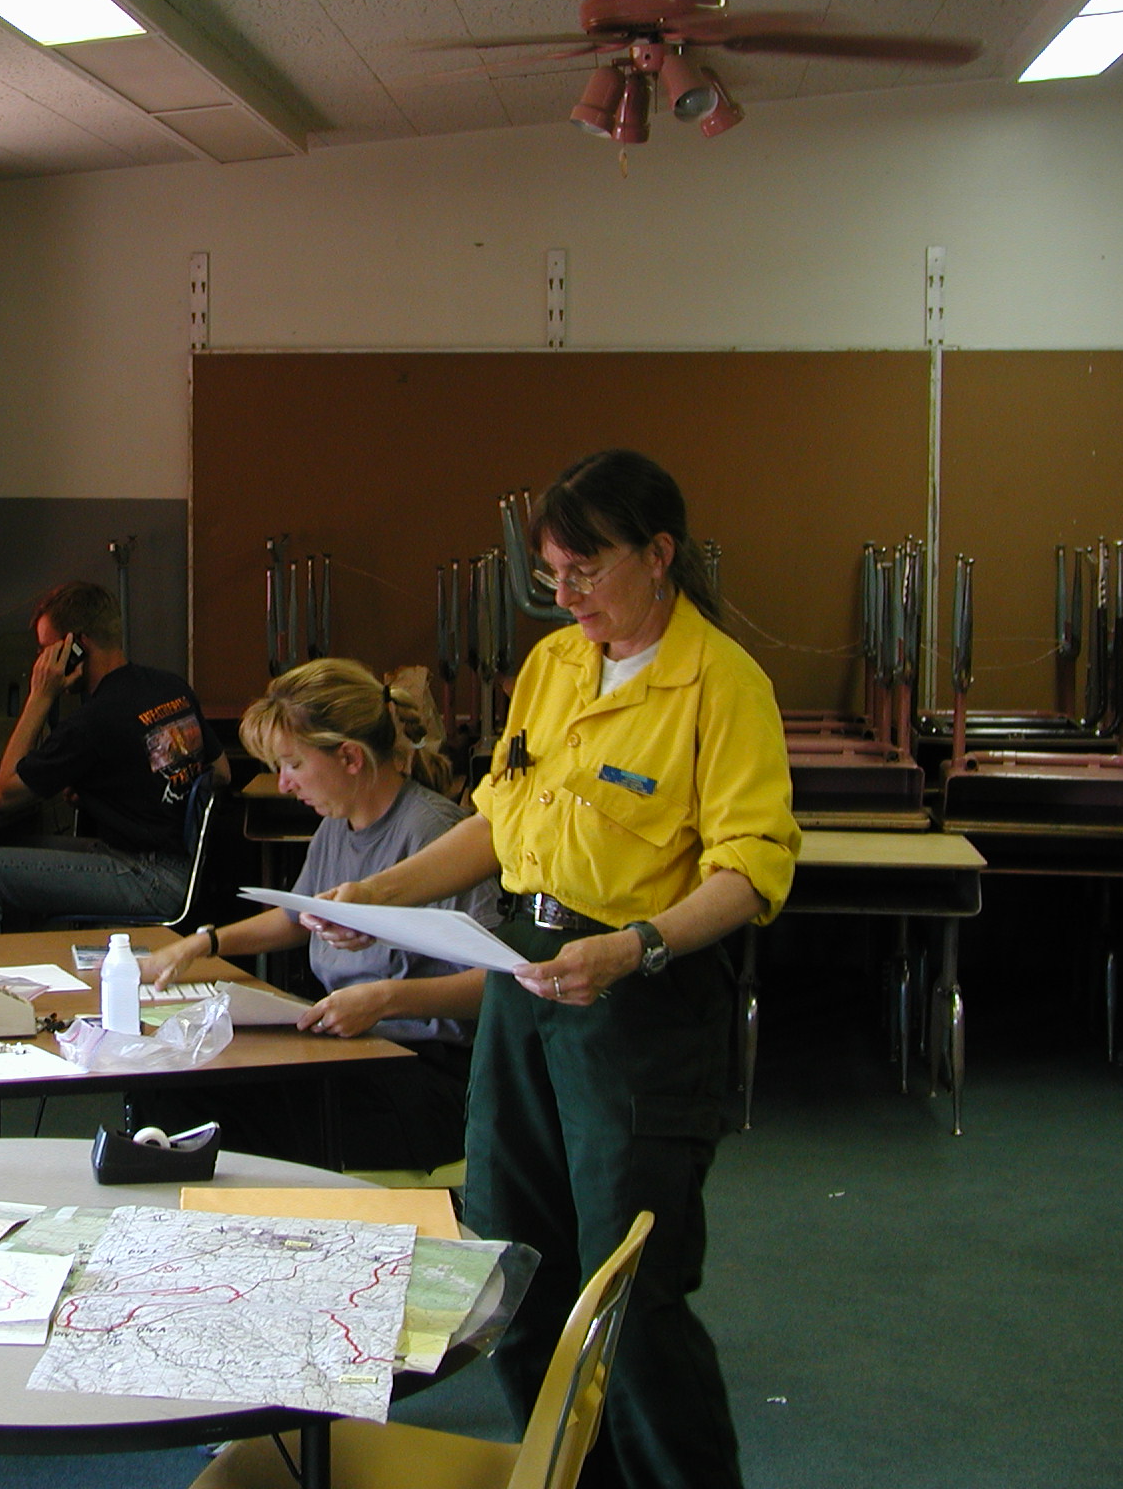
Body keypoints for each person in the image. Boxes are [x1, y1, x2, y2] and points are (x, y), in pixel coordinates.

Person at [317, 451, 798, 1489]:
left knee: (630, 1291)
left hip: (638, 999)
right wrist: (374, 895)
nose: (566, 597)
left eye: (584, 571)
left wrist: (637, 946)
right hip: (521, 981)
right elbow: (498, 819)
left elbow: (750, 869)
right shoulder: (553, 669)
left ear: (656, 555)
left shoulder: (719, 683)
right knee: (514, 1265)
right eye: (550, 578)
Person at [132, 658, 498, 1170]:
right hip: (358, 1057)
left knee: (201, 1108)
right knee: (169, 1085)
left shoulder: (437, 835)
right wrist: (204, 943)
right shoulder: (338, 822)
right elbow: (294, 918)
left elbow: (496, 984)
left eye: (293, 764)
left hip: (423, 1082)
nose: (283, 784)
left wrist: (385, 999)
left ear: (349, 757)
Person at [0, 581, 228, 932]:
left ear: (75, 647)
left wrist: (40, 697)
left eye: (47, 651)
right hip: (185, 869)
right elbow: (221, 772)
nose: (40, 662)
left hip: (146, 876)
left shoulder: (94, 720)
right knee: (13, 851)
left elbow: (5, 793)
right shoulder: (171, 687)